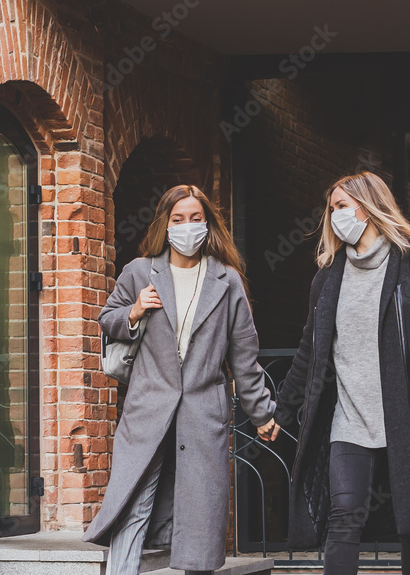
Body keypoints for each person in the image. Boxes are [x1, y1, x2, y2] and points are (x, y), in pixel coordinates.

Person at [265, 172, 410, 575]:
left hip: (404, 415)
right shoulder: (327, 278)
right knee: (343, 515)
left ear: (368, 206)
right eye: (332, 208)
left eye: (341, 206)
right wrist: (280, 412)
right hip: (349, 419)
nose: (334, 215)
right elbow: (310, 351)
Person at [83, 185, 280, 575]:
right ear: (165, 224)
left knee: (200, 517)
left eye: (195, 219)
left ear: (207, 225)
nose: (186, 227)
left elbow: (244, 355)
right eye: (178, 219)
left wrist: (262, 413)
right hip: (148, 407)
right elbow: (107, 319)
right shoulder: (140, 272)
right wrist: (135, 311)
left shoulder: (228, 281)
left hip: (203, 413)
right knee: (134, 504)